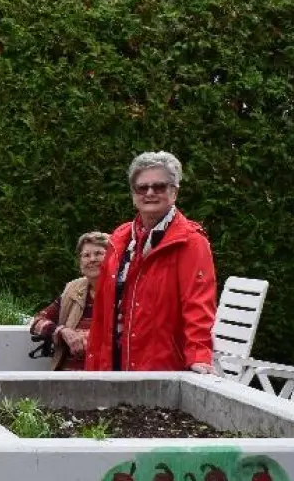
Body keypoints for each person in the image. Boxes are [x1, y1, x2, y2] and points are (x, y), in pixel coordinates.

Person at [83, 152, 217, 373]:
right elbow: (102, 313)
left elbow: (198, 305)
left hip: (162, 370)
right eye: (142, 188)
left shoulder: (191, 242)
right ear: (133, 195)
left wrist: (199, 356)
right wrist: (94, 366)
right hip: (113, 366)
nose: (150, 193)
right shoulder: (120, 238)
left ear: (174, 192)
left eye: (159, 187)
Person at [30, 232, 109, 370]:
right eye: (86, 255)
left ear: (112, 257)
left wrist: (88, 337)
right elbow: (37, 321)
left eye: (98, 254)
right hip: (67, 376)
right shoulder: (73, 290)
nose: (92, 259)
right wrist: (62, 332)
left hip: (108, 376)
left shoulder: (124, 292)